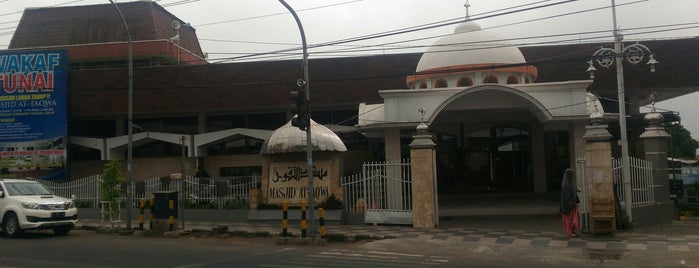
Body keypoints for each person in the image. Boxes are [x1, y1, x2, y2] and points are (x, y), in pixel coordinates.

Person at [560, 168, 580, 238]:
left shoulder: (569, 182)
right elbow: (566, 196)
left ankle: (571, 230)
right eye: (572, 175)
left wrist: (575, 191)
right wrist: (571, 203)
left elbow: (571, 191)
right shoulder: (565, 184)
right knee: (569, 219)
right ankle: (569, 232)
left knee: (572, 219)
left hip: (571, 204)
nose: (573, 176)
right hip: (568, 205)